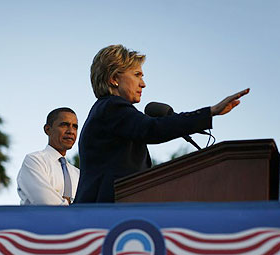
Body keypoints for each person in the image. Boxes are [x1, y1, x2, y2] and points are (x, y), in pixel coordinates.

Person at [74, 44, 249, 203]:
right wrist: (210, 112)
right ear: (114, 78)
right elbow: (152, 129)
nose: (143, 84)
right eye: (137, 75)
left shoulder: (108, 110)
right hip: (104, 213)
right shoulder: (111, 107)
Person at [17, 107, 79, 205]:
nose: (71, 131)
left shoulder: (77, 173)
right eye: (64, 125)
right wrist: (70, 205)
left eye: (75, 126)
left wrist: (64, 203)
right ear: (47, 129)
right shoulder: (34, 161)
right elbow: (45, 202)